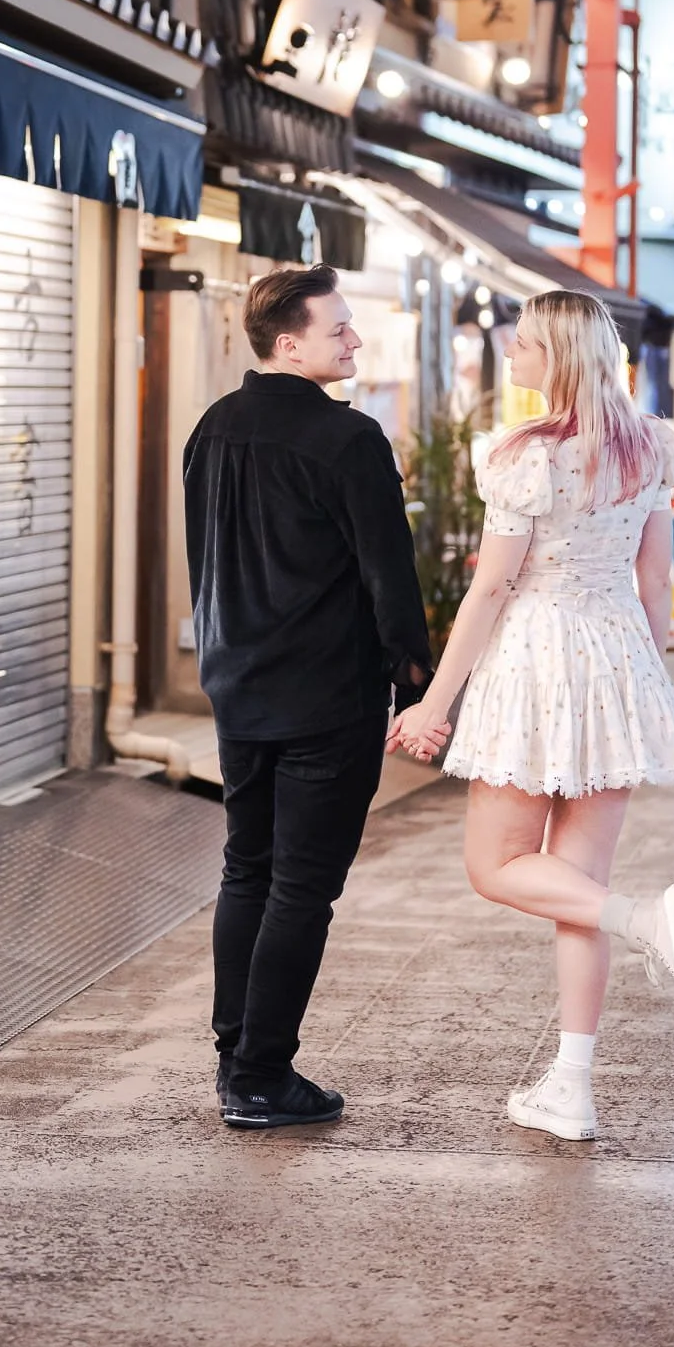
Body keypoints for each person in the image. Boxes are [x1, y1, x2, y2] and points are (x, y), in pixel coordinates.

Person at [389, 288, 674, 1144]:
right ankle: (571, 1087)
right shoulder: (652, 446)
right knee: (578, 887)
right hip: (616, 659)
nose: (513, 355)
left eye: (528, 343)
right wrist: (651, 688)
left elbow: (494, 586)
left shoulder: (522, 454)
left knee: (495, 865)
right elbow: (656, 583)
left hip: (537, 659)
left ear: (563, 357)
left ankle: (647, 923)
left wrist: (436, 699)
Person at [184, 264, 433, 1129]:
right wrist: (416, 677)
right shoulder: (348, 439)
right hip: (327, 695)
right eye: (339, 330)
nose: (354, 341)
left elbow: (204, 562)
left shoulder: (212, 429)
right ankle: (260, 1076)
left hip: (237, 686)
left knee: (246, 868)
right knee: (301, 887)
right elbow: (389, 577)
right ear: (288, 342)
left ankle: (234, 1057)